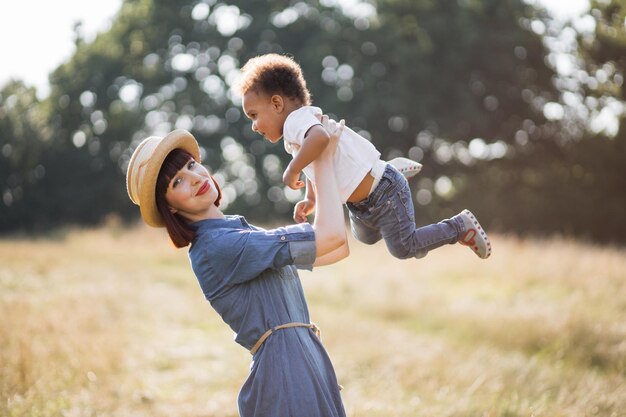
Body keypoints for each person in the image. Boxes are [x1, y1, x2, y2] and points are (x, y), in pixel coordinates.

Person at [126, 120, 349, 417]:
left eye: (191, 166)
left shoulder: (237, 232)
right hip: (286, 376)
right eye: (176, 182)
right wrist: (319, 157)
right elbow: (332, 236)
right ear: (172, 209)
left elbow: (337, 248)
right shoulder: (219, 246)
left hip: (305, 362)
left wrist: (321, 170)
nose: (193, 178)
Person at [238, 53, 492, 260]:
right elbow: (318, 166)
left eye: (253, 115)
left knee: (404, 247)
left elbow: (321, 139)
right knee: (365, 237)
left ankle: (459, 227)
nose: (253, 125)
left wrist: (291, 169)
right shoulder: (296, 134)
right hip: (361, 204)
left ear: (277, 104)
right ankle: (384, 169)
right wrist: (311, 199)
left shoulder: (297, 121)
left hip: (384, 193)